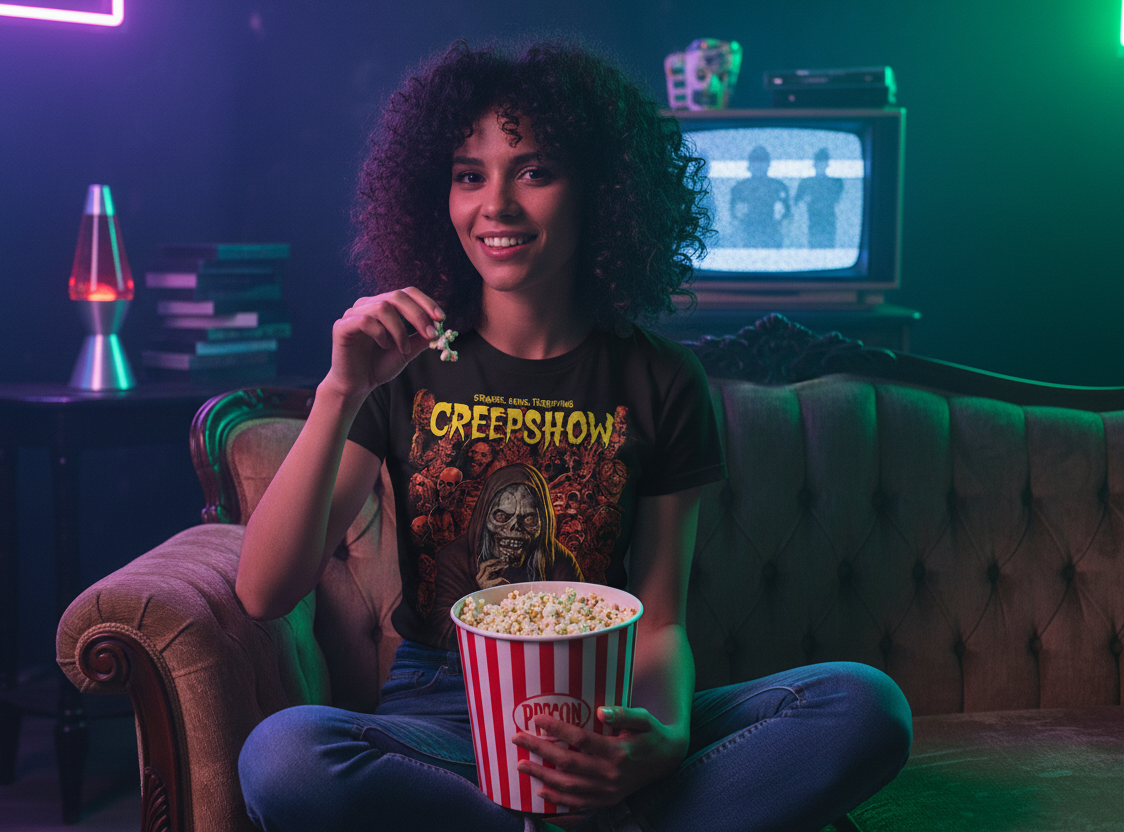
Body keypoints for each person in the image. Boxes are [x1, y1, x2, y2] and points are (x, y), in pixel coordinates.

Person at [235, 40, 912, 832]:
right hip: (443, 718)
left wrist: (654, 747)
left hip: (603, 708)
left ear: (601, 190)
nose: (496, 205)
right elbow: (262, 592)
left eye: (534, 170)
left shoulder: (659, 379)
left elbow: (658, 623)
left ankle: (569, 814)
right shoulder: (402, 371)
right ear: (436, 195)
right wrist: (341, 389)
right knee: (283, 757)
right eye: (468, 174)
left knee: (863, 706)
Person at [729, 146, 791, 248]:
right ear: (750, 164)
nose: (759, 166)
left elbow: (787, 215)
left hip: (773, 234)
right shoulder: (740, 187)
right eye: (755, 162)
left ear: (768, 164)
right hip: (748, 233)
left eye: (762, 161)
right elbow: (734, 215)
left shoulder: (778, 186)